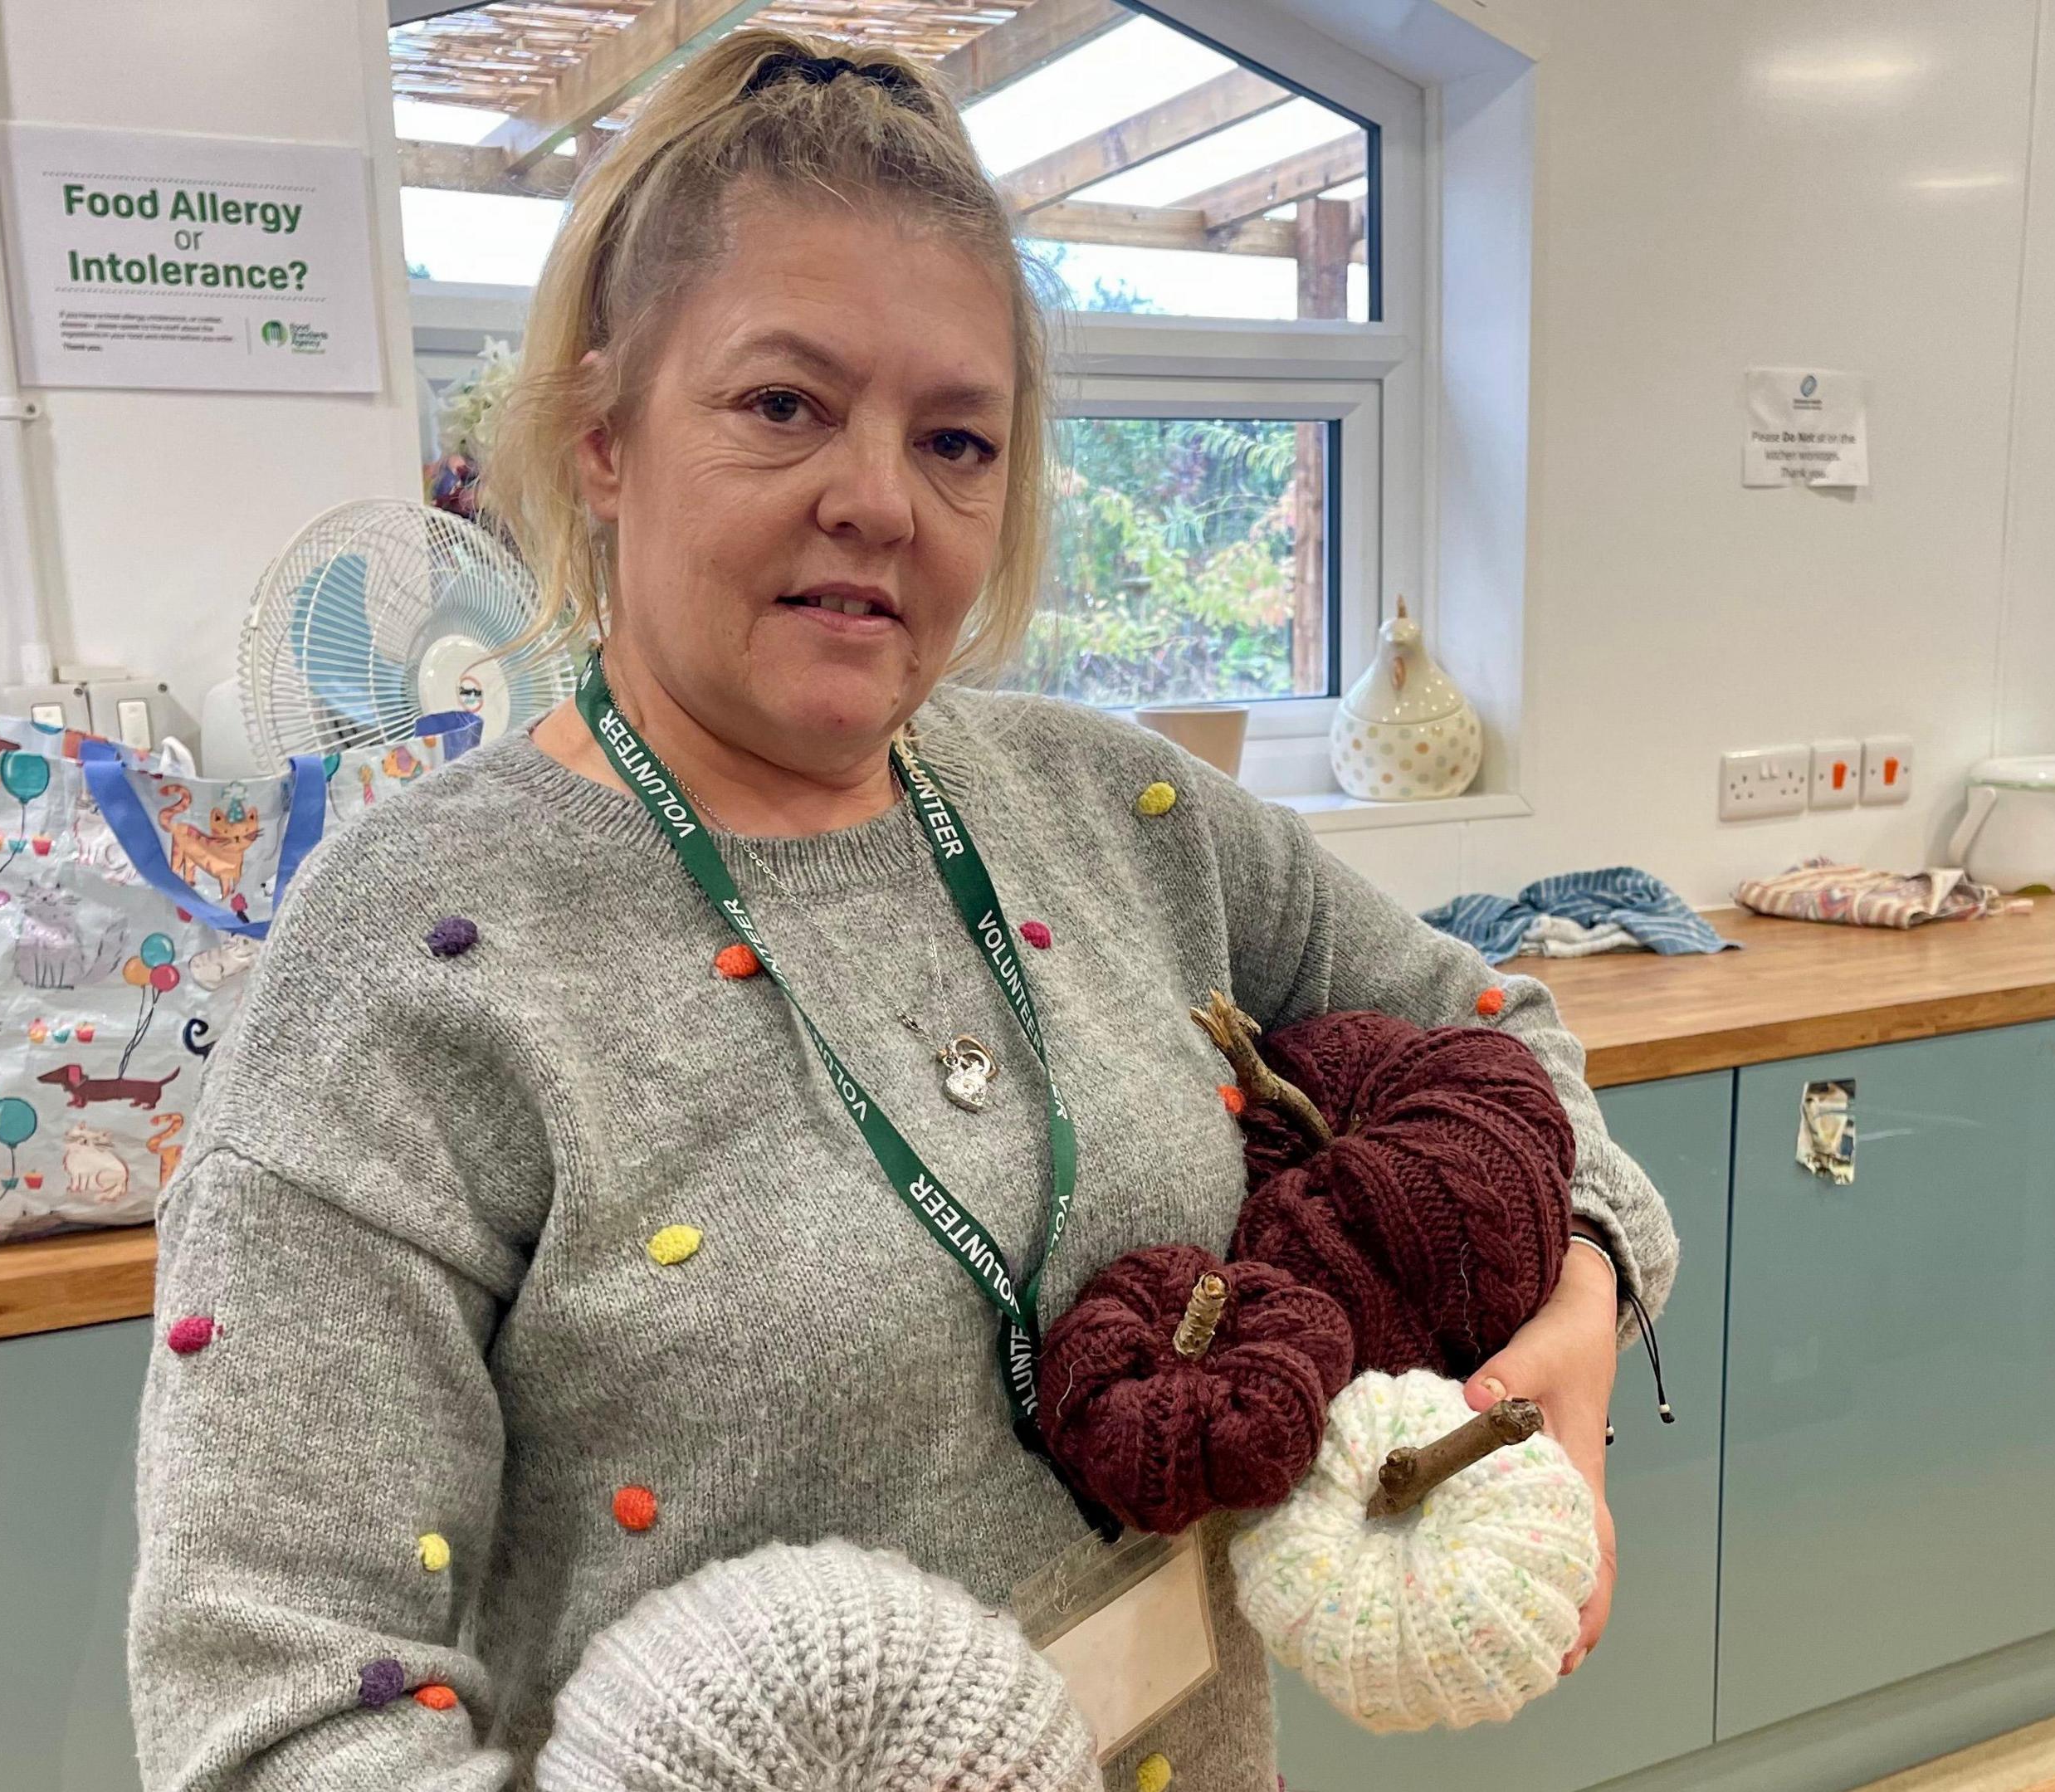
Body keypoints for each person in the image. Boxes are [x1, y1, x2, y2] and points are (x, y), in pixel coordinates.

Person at [126, 29, 1675, 1792]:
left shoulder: (1116, 812)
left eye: (956, 438)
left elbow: (1497, 1048)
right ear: (603, 435)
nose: (880, 497)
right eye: (783, 405)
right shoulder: (413, 952)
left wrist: (1576, 1294)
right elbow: (274, 1725)